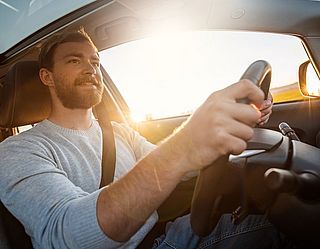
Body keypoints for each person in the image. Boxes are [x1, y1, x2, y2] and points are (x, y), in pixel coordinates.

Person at [0, 29, 281, 249]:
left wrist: (232, 126)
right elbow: (68, 235)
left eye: (95, 61)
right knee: (284, 227)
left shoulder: (120, 132)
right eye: (75, 60)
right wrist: (184, 145)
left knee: (284, 211)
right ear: (47, 77)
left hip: (165, 235)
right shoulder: (18, 151)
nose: (90, 69)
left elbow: (183, 168)